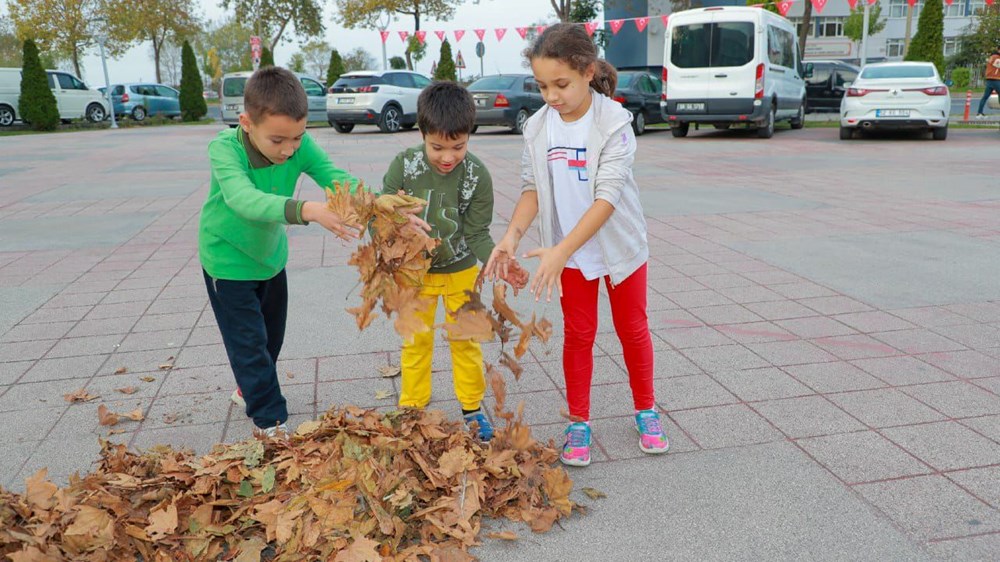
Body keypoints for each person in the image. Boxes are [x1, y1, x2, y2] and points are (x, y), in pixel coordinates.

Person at [199, 67, 427, 437]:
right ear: (246, 122)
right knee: (249, 343)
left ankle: (251, 385)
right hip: (226, 262)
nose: (289, 149)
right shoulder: (225, 149)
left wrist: (380, 206)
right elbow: (243, 199)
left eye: (297, 138)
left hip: (270, 259)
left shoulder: (298, 145)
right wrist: (310, 210)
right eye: (278, 141)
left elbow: (335, 177)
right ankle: (271, 422)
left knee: (271, 338)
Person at [484, 23, 669, 467]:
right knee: (579, 336)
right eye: (543, 85)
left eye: (561, 84)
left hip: (618, 248)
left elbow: (606, 198)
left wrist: (562, 250)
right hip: (565, 253)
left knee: (632, 329)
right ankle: (579, 423)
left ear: (588, 72)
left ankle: (646, 409)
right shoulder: (538, 128)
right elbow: (532, 188)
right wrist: (511, 237)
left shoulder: (615, 123)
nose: (551, 95)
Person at [383, 81, 524, 441]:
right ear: (422, 132)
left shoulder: (477, 176)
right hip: (414, 276)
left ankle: (472, 409)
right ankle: (412, 410)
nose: (448, 157)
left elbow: (477, 233)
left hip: (462, 272)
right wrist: (395, 225)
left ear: (469, 135)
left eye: (458, 147)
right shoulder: (404, 167)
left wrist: (498, 260)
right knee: (415, 342)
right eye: (438, 147)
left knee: (467, 342)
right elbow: (380, 218)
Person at [975, 47, 1000, 119]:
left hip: (989, 80)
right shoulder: (996, 57)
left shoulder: (992, 57)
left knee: (985, 97)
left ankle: (979, 113)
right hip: (996, 79)